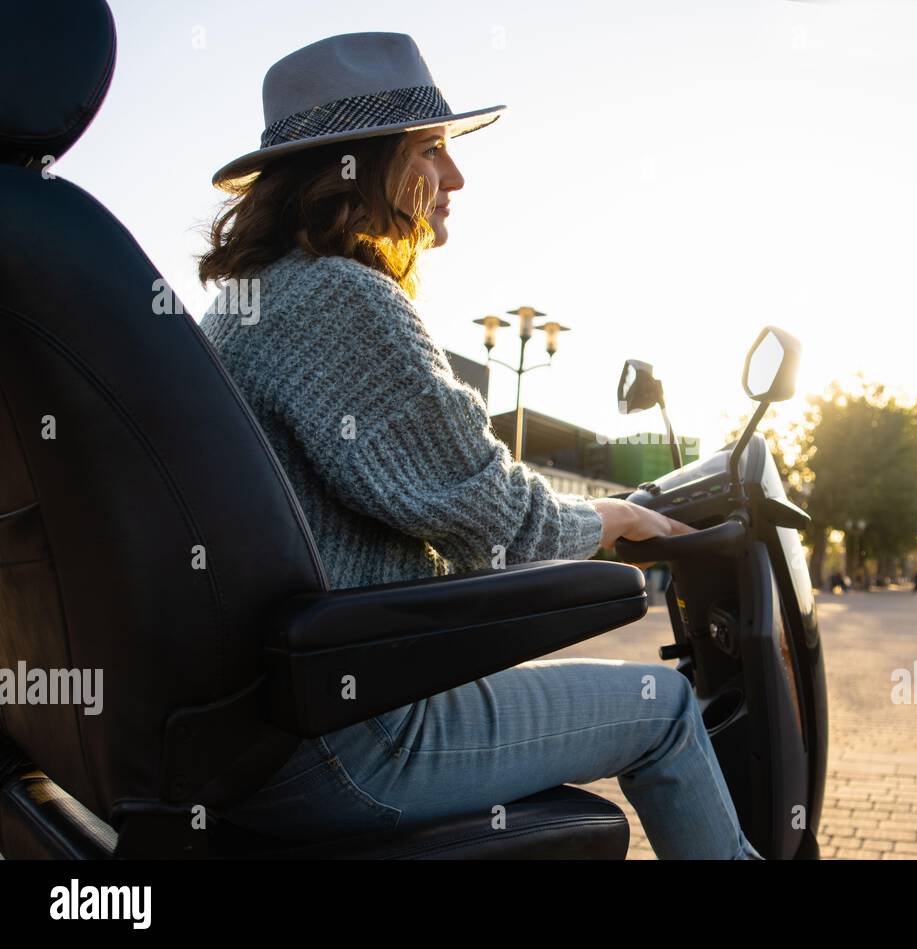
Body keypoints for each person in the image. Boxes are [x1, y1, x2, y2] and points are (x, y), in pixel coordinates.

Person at [200, 32, 762, 859]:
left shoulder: (248, 305)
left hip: (272, 727)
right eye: (430, 150)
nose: (455, 177)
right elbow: (499, 520)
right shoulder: (339, 301)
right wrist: (616, 519)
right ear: (358, 163)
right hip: (350, 743)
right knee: (665, 706)